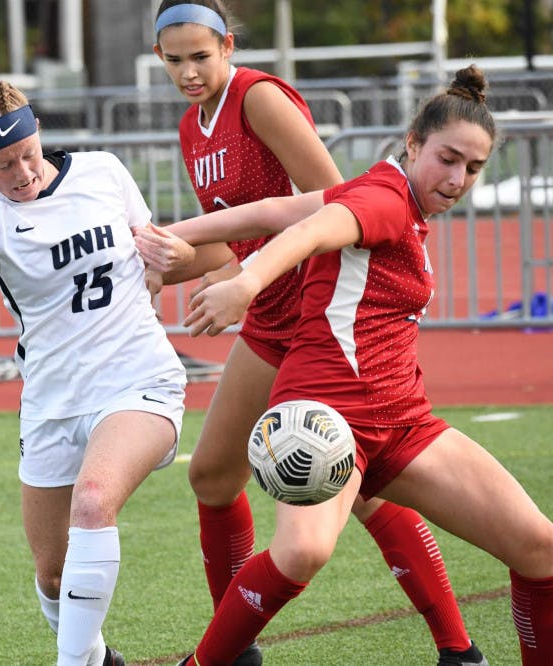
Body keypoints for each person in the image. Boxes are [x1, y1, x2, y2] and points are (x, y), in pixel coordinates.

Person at [140, 64, 553, 665]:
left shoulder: (384, 188)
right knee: (302, 552)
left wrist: (165, 235)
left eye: (473, 167)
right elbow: (309, 232)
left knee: (539, 548)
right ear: (412, 144)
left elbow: (269, 212)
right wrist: (245, 283)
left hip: (403, 422)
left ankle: (462, 650)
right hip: (329, 417)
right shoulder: (384, 199)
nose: (458, 177)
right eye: (447, 158)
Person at [0, 80, 187, 666]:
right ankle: (100, 659)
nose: (23, 171)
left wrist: (171, 261)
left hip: (139, 381)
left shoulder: (103, 172)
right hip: (51, 404)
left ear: (39, 136)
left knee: (93, 500)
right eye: (4, 165)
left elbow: (156, 257)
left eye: (28, 153)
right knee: (54, 577)